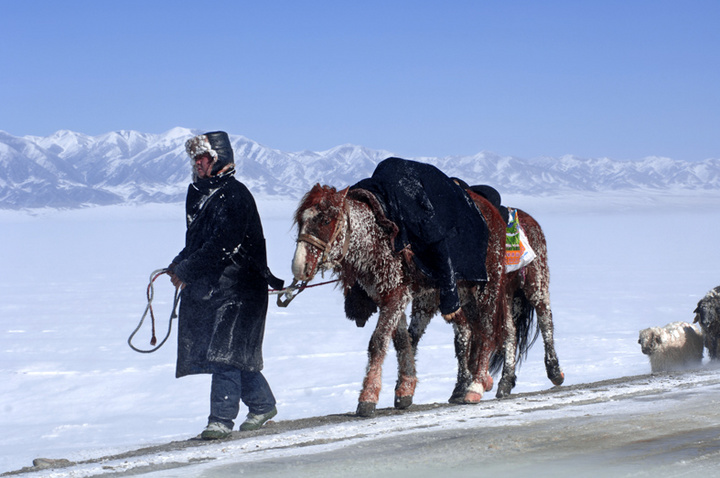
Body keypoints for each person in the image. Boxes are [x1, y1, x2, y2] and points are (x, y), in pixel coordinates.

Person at [167, 131, 283, 440]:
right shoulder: (200, 194)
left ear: (218, 160)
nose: (198, 164)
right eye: (195, 159)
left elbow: (222, 244)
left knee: (224, 353)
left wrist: (187, 270)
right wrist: (177, 264)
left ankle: (220, 420)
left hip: (243, 289)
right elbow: (197, 242)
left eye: (203, 158)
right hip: (218, 289)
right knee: (232, 353)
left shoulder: (235, 195)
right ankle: (262, 405)